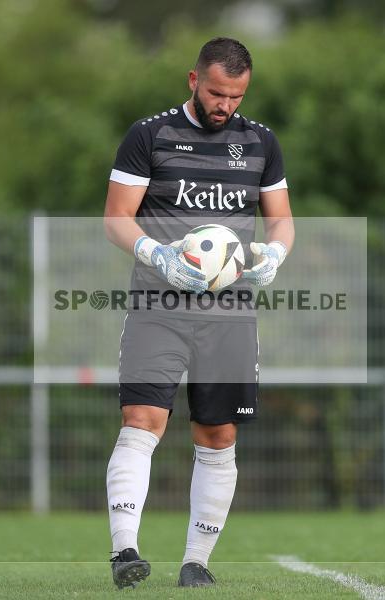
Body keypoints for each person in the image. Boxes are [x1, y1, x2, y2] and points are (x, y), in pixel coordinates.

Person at [102, 37, 294, 588]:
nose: (224, 105)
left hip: (229, 313)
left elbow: (281, 220)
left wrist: (275, 255)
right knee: (142, 420)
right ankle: (124, 552)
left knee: (218, 434)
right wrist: (156, 254)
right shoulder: (149, 135)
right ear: (193, 80)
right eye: (215, 93)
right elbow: (116, 217)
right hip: (157, 305)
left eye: (236, 97)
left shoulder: (261, 142)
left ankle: (196, 563)